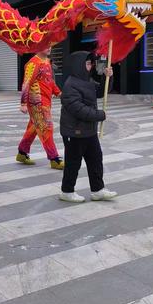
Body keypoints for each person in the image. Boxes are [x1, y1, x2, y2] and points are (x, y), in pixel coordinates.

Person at [59, 51, 117, 203]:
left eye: (91, 63)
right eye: (88, 63)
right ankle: (67, 191)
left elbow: (99, 92)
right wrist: (99, 115)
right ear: (78, 65)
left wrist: (107, 77)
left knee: (95, 159)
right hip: (74, 131)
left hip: (88, 130)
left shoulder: (87, 80)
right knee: (73, 163)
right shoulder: (70, 85)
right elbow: (78, 109)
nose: (90, 66)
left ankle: (97, 189)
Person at [16, 47, 64, 170]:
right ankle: (54, 158)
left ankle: (22, 152)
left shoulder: (47, 61)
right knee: (46, 128)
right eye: (45, 45)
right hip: (37, 102)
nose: (49, 48)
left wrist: (58, 92)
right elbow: (26, 83)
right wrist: (23, 103)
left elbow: (50, 81)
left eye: (50, 45)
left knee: (34, 127)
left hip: (46, 101)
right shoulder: (33, 63)